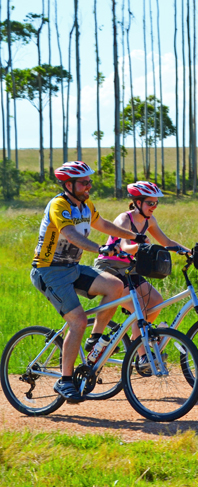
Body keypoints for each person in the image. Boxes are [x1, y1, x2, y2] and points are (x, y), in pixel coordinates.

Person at [31, 161, 144, 403]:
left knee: (114, 285)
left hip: (72, 268)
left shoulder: (85, 204)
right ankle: (65, 381)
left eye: (89, 181)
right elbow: (69, 234)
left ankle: (96, 337)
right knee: (78, 321)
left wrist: (133, 235)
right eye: (84, 182)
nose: (88, 186)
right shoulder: (59, 205)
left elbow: (102, 224)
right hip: (48, 271)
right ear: (68, 185)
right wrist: (100, 249)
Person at [93, 181, 190, 370]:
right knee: (141, 309)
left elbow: (166, 241)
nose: (154, 207)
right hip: (110, 267)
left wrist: (188, 252)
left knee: (156, 301)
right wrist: (139, 245)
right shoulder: (124, 219)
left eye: (156, 203)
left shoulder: (149, 221)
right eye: (150, 203)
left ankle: (136, 340)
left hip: (130, 268)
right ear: (137, 202)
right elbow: (123, 246)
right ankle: (143, 355)